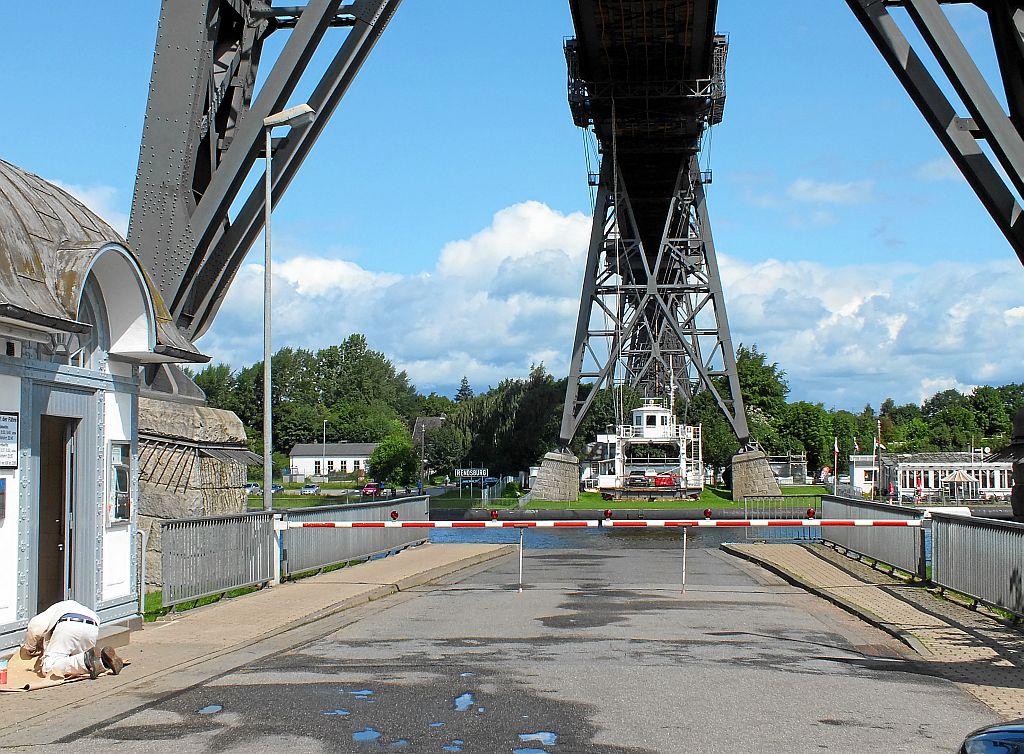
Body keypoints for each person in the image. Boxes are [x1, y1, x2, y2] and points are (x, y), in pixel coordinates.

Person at [21, 600, 123, 680]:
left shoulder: (51, 611)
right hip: (92, 627)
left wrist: (30, 648)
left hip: (68, 624)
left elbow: (34, 627)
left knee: (48, 668)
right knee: (78, 661)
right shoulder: (70, 606)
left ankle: (86, 660)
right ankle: (104, 661)